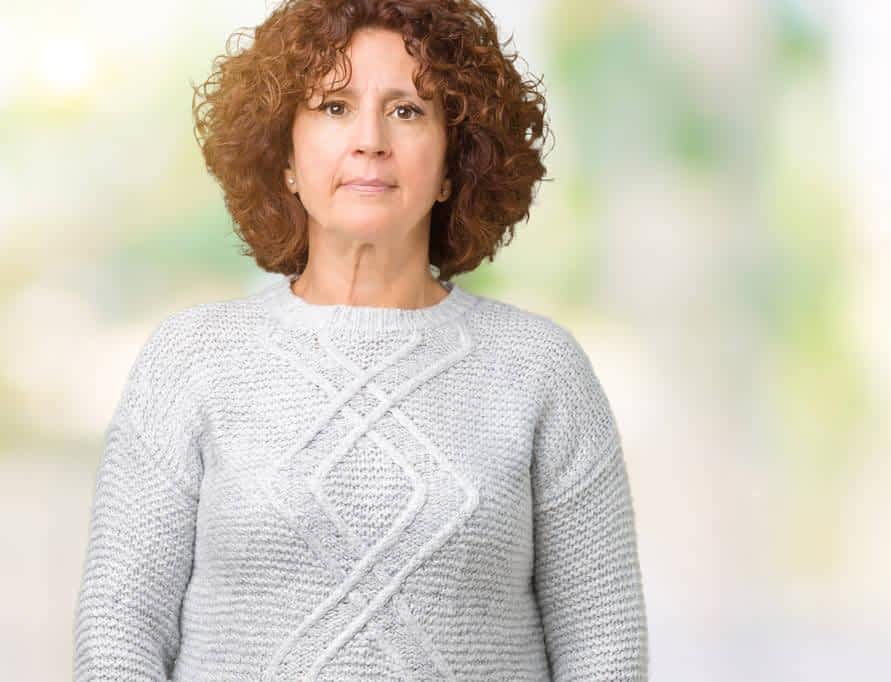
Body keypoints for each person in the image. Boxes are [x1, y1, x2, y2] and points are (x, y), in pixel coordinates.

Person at [72, 0, 648, 679]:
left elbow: (602, 648)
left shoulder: (540, 371)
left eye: (407, 110)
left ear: (454, 161)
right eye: (333, 106)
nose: (370, 137)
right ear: (283, 155)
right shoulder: (191, 361)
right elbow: (118, 631)